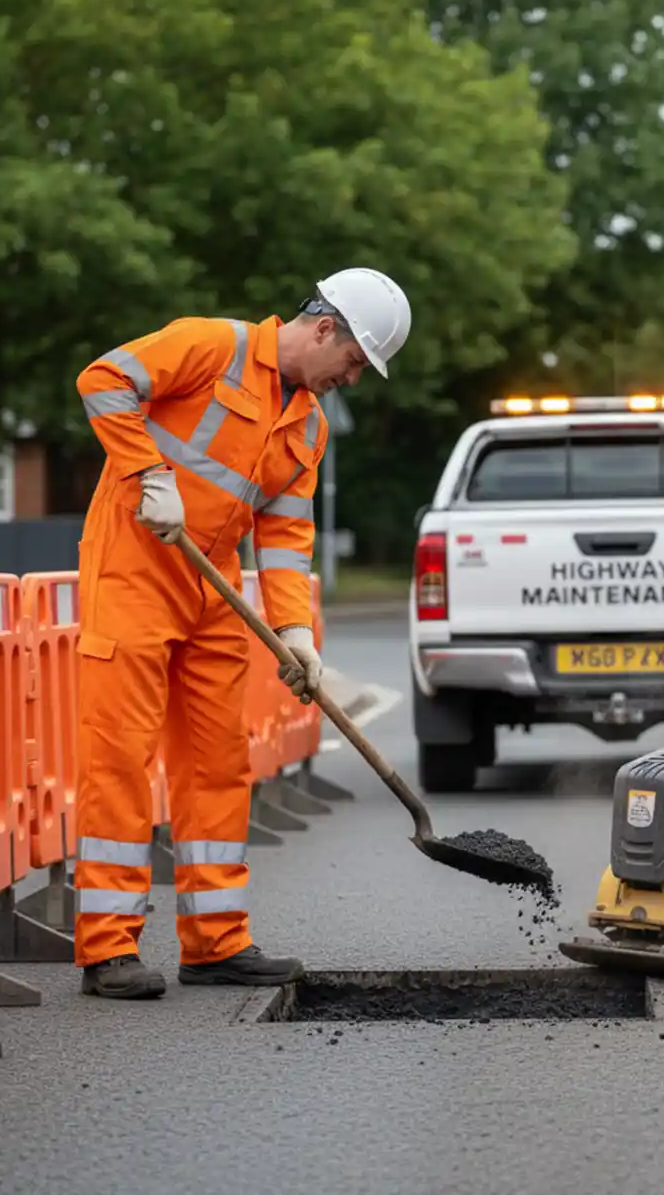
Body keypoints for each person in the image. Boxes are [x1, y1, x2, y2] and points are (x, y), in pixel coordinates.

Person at [69, 268, 411, 999]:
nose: (351, 378)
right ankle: (108, 947)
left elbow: (285, 537)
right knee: (122, 760)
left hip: (212, 590)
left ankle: (215, 941)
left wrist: (296, 636)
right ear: (324, 329)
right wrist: (147, 474)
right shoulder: (209, 346)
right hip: (132, 573)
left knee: (218, 765)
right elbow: (101, 379)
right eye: (353, 362)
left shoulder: (308, 426)